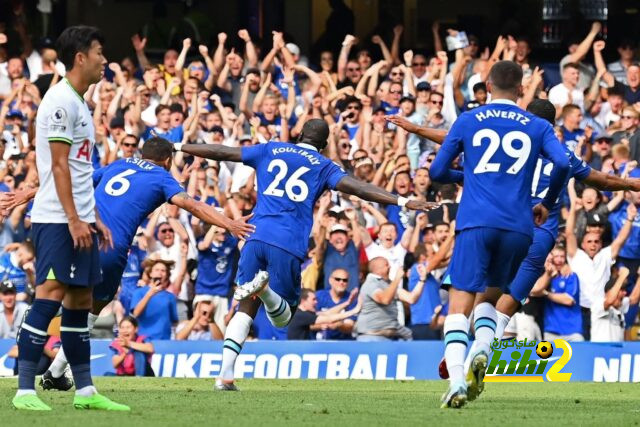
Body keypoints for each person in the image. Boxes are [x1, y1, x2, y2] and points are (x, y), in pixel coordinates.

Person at [177, 118, 436, 390]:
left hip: (255, 234)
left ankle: (225, 376)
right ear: (324, 146)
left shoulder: (271, 149)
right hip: (287, 242)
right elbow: (360, 189)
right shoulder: (323, 166)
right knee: (285, 315)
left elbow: (223, 151)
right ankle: (265, 293)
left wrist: (180, 146)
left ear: (299, 134)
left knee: (245, 309)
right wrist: (403, 201)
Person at [2, 137, 254, 390]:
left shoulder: (118, 165)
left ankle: (54, 365)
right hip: (111, 247)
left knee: (73, 297)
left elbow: (71, 183)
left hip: (78, 235)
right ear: (167, 161)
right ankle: (48, 335)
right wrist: (229, 223)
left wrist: (26, 193)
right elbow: (193, 205)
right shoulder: (162, 177)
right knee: (91, 309)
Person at [429, 61, 571, 409]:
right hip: (520, 228)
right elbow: (564, 164)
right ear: (522, 89)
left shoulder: (468, 119)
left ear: (487, 85)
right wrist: (546, 203)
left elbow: (436, 171)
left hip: (477, 222)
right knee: (489, 301)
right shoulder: (537, 126)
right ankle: (481, 350)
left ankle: (459, 378)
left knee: (460, 304)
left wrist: (469, 177)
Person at [12, 26, 129, 411]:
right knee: (49, 299)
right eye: (99, 52)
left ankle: (85, 392)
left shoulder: (79, 102)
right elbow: (59, 167)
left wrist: (92, 216)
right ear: (80, 56)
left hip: (77, 217)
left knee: (80, 302)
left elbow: (79, 170)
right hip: (57, 220)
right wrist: (75, 219)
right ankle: (25, 390)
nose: (104, 60)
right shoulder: (61, 101)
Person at [355, 257, 427, 341]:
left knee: (409, 335)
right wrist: (397, 279)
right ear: (377, 269)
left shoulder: (389, 284)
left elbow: (411, 298)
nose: (390, 267)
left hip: (390, 338)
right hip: (371, 338)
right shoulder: (371, 283)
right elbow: (385, 299)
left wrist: (422, 279)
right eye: (386, 265)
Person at [531, 247, 584, 342]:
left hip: (573, 332)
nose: (559, 260)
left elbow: (568, 300)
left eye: (562, 256)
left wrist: (546, 294)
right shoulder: (545, 277)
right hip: (551, 331)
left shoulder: (571, 275)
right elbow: (534, 291)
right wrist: (549, 274)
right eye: (556, 257)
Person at [130, 258, 178, 339]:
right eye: (157, 270)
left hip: (164, 342)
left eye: (163, 271)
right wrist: (150, 293)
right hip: (143, 342)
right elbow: (135, 314)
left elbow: (174, 321)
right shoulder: (139, 292)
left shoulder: (170, 297)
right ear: (151, 273)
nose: (160, 273)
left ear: (166, 275)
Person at [286, 288, 360, 340]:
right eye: (313, 299)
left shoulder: (301, 313)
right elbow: (329, 319)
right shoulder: (301, 315)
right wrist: (354, 311)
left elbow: (327, 313)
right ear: (303, 301)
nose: (316, 302)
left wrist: (347, 303)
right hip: (297, 350)